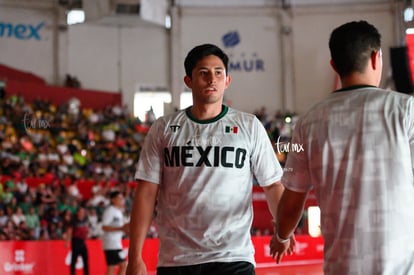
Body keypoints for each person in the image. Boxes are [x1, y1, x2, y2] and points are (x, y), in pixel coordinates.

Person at [126, 43, 292, 275]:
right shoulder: (163, 128)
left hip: (234, 257)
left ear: (227, 80)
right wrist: (135, 257)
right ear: (188, 81)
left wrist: (284, 230)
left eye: (218, 72)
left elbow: (273, 184)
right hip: (177, 259)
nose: (211, 79)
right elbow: (145, 193)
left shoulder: (249, 126)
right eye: (203, 73)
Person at [270, 20, 414, 275]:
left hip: (343, 267)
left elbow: (292, 200)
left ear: (334, 66)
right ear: (376, 58)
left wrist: (281, 236)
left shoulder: (308, 124)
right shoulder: (406, 111)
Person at [101, 191, 130, 275]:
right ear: (113, 200)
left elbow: (121, 228)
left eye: (122, 198)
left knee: (111, 267)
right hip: (111, 243)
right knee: (123, 265)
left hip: (115, 243)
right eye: (119, 198)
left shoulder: (119, 212)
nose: (122, 200)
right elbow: (104, 227)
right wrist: (120, 228)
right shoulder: (110, 211)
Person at [65, 207, 90, 275]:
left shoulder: (85, 220)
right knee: (73, 260)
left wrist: (87, 235)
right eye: (81, 212)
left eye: (83, 212)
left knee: (86, 260)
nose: (82, 213)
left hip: (83, 241)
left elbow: (87, 229)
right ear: (77, 213)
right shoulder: (74, 221)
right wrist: (67, 242)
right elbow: (69, 231)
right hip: (76, 241)